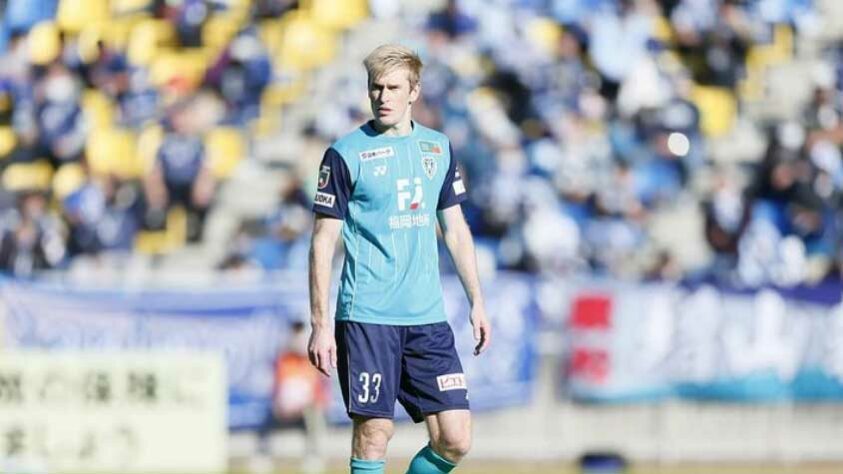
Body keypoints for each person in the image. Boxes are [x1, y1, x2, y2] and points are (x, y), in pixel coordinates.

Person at [307, 44, 491, 474]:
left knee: (455, 438)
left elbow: (457, 232)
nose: (383, 97)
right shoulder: (344, 154)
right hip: (368, 315)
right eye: (376, 88)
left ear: (414, 92)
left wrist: (477, 301)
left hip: (427, 317)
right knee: (374, 433)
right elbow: (321, 242)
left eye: (393, 87)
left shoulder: (438, 148)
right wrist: (319, 324)